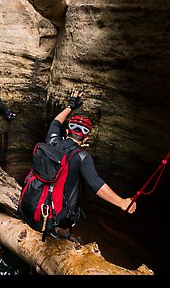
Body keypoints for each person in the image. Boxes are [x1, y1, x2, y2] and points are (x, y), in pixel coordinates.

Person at [44, 90, 137, 240]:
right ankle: (60, 234)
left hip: (40, 200)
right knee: (70, 210)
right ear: (86, 138)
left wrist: (70, 106)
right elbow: (96, 183)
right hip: (59, 210)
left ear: (67, 131)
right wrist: (121, 202)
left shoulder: (52, 141)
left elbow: (56, 122)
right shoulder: (82, 157)